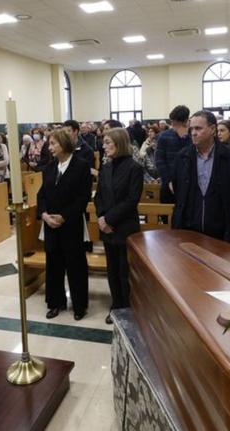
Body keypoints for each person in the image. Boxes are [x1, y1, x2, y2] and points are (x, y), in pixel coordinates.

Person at [37, 128, 92, 321]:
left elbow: (83, 197)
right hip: (50, 224)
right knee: (53, 265)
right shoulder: (50, 167)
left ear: (64, 144)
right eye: (49, 143)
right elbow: (41, 195)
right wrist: (44, 215)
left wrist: (64, 216)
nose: (49, 147)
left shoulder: (81, 166)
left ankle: (79, 305)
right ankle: (55, 302)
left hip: (71, 224)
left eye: (53, 143)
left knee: (75, 265)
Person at [170, 111, 230, 244]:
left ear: (212, 129)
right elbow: (178, 190)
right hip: (188, 231)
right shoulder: (182, 157)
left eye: (198, 128)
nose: (193, 133)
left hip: (221, 231)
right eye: (191, 129)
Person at [94, 128, 143, 324]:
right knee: (112, 271)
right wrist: (101, 217)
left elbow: (132, 200)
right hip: (107, 228)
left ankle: (127, 309)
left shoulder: (134, 168)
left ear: (119, 143)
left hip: (124, 228)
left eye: (108, 142)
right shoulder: (105, 168)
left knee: (125, 272)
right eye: (104, 142)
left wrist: (109, 219)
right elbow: (99, 196)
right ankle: (115, 306)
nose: (104, 146)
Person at [155, 105, 191, 203]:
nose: (174, 125)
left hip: (188, 184)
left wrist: (185, 137)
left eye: (177, 123)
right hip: (169, 184)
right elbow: (159, 161)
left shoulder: (192, 136)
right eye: (173, 122)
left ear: (186, 121)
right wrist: (168, 181)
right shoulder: (164, 136)